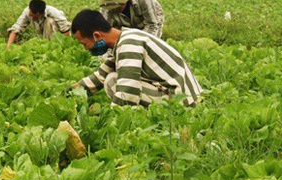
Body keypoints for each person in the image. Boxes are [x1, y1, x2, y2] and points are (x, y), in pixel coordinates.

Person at [70, 9, 202, 107]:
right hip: (184, 93)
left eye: (84, 44)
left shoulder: (129, 44)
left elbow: (127, 92)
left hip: (182, 100)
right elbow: (101, 75)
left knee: (113, 81)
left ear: (97, 36)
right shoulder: (126, 37)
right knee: (111, 76)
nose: (85, 49)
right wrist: (71, 92)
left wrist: (111, 121)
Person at [99, 0, 164, 38]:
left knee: (151, 41)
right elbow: (105, 32)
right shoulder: (105, 6)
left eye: (116, 7)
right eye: (111, 8)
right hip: (123, 21)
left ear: (125, 1)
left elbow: (152, 25)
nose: (114, 10)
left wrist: (141, 43)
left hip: (151, 13)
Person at [6, 0, 71, 48]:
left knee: (49, 21)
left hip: (56, 38)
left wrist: (63, 47)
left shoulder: (54, 13)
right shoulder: (27, 12)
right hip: (41, 38)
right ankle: (44, 45)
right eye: (30, 15)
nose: (31, 18)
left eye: (34, 16)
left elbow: (66, 31)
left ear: (40, 14)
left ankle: (50, 46)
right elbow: (17, 28)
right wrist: (8, 47)